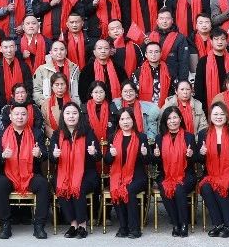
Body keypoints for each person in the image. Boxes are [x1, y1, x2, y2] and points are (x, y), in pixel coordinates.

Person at [0, 103, 50, 239]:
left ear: (28, 116)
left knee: (43, 184)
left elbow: (45, 155)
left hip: (30, 174)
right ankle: (5, 225)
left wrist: (39, 154)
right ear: (10, 116)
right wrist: (2, 155)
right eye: (17, 114)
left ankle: (39, 226)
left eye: (23, 114)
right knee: (0, 183)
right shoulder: (1, 134)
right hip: (8, 174)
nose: (20, 117)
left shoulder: (36, 133)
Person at [197, 102, 229, 237]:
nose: (219, 117)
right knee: (205, 188)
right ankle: (218, 224)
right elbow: (199, 160)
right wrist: (201, 153)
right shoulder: (203, 134)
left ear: (226, 116)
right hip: (211, 174)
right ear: (210, 116)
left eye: (222, 114)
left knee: (219, 187)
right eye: (216, 114)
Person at [52, 102, 98, 239]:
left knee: (78, 187)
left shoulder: (87, 132)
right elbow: (51, 157)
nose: (71, 116)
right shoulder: (57, 134)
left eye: (74, 113)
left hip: (86, 174)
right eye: (68, 113)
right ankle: (73, 224)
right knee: (60, 186)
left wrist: (94, 152)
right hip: (64, 173)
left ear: (79, 115)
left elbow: (98, 156)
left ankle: (82, 224)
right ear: (63, 116)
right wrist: (54, 155)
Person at [155, 107, 197, 237]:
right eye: (169, 118)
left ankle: (184, 224)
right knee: (165, 188)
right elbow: (155, 163)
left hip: (186, 175)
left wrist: (191, 155)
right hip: (166, 175)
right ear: (165, 121)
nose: (172, 121)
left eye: (175, 117)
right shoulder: (160, 138)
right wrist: (156, 156)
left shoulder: (189, 137)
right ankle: (175, 224)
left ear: (180, 119)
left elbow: (197, 159)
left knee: (178, 188)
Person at [107, 108, 148, 238]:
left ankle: (134, 229)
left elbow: (148, 161)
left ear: (133, 120)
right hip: (118, 175)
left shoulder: (141, 137)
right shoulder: (113, 137)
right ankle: (123, 227)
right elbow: (107, 160)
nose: (125, 122)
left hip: (137, 176)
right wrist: (111, 155)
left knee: (128, 190)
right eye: (122, 119)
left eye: (128, 118)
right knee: (116, 188)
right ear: (118, 122)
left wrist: (145, 154)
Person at [193, 28, 229, 106]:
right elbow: (198, 86)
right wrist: (202, 106)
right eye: (216, 39)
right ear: (211, 41)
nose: (220, 42)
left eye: (223, 39)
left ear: (226, 42)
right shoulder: (203, 61)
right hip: (209, 102)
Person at [33, 40, 80, 106]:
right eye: (55, 50)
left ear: (66, 52)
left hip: (71, 107)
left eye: (62, 49)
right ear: (50, 53)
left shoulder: (74, 69)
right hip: (49, 106)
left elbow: (80, 89)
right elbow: (36, 90)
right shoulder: (42, 69)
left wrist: (76, 104)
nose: (59, 52)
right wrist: (44, 104)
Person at [0, 38, 33, 109]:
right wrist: (4, 106)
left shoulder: (24, 66)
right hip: (2, 105)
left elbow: (29, 87)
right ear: (0, 49)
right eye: (5, 47)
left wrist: (22, 103)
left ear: (15, 48)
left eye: (11, 47)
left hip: (22, 103)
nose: (9, 50)